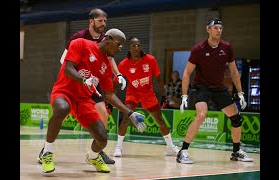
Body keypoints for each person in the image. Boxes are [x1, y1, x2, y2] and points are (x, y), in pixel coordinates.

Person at [37, 28, 147, 173]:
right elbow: (68, 68)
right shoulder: (80, 43)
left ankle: (93, 157)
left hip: (84, 100)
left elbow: (108, 94)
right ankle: (47, 152)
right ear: (107, 39)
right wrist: (83, 80)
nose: (120, 48)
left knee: (102, 139)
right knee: (63, 109)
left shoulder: (106, 65)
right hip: (64, 92)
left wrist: (130, 113)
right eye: (119, 44)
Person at [42, 8, 126, 165]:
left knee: (103, 112)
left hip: (92, 83)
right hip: (75, 79)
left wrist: (118, 74)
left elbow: (109, 60)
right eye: (100, 20)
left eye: (105, 21)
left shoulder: (105, 41)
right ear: (91, 21)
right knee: (62, 110)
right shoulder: (79, 38)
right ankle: (47, 149)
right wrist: (81, 76)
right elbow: (65, 62)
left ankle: (97, 151)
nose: (103, 24)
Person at [176, 18, 253, 164]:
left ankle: (236, 152)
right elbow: (186, 73)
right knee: (201, 115)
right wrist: (184, 95)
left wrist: (241, 93)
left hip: (219, 88)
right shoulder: (198, 49)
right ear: (208, 30)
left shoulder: (227, 47)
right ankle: (183, 151)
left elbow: (234, 71)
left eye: (221, 28)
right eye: (216, 28)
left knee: (236, 118)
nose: (219, 30)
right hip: (201, 87)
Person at [112, 37, 179, 157]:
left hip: (148, 94)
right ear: (129, 48)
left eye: (138, 45)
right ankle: (118, 147)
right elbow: (115, 82)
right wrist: (111, 97)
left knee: (160, 120)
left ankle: (170, 147)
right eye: (133, 46)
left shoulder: (150, 59)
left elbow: (158, 78)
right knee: (126, 119)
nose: (136, 48)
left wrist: (164, 95)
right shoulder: (124, 64)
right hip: (132, 94)